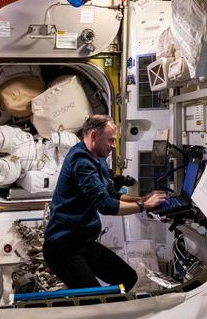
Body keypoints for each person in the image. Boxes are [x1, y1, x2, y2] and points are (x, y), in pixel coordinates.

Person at [42, 114, 167, 292]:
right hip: (63, 249)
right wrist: (144, 206)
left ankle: (110, 309)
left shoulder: (96, 157)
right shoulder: (81, 161)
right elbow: (105, 205)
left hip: (83, 242)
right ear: (94, 136)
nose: (114, 145)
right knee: (92, 299)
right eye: (110, 140)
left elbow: (110, 193)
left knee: (127, 278)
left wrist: (142, 198)